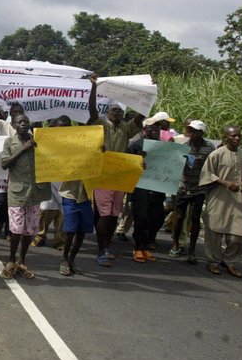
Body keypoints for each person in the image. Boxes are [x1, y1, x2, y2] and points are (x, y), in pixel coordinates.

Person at [86, 77, 144, 267]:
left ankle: (106, 246)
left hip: (119, 176)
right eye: (114, 109)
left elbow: (141, 115)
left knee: (113, 215)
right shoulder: (101, 124)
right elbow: (92, 109)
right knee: (104, 214)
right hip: (102, 174)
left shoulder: (125, 129)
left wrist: (149, 91)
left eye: (120, 110)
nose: (117, 112)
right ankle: (101, 250)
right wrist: (94, 88)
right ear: (108, 112)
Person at [0, 114, 50, 279]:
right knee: (16, 229)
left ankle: (22, 261)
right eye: (19, 122)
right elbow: (4, 164)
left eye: (25, 122)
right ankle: (11, 260)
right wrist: (23, 149)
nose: (23, 124)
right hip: (17, 193)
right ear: (13, 124)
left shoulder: (38, 141)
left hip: (35, 193)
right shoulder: (9, 142)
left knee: (30, 230)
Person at [199, 125, 242, 277]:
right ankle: (213, 261)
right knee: (214, 232)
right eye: (233, 136)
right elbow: (206, 175)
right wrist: (225, 182)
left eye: (239, 136)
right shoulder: (216, 154)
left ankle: (229, 261)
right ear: (225, 137)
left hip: (238, 200)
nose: (237, 138)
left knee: (237, 234)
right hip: (218, 198)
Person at [170, 120, 214, 263]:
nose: (191, 134)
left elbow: (213, 165)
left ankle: (192, 249)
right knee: (179, 216)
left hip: (200, 187)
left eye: (194, 131)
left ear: (201, 133)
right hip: (184, 186)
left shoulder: (209, 147)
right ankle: (175, 243)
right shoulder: (184, 147)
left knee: (195, 219)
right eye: (190, 131)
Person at [127, 120, 165, 262]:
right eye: (152, 127)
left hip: (157, 188)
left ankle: (145, 248)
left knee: (154, 218)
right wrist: (138, 164)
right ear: (145, 129)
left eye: (158, 128)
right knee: (141, 218)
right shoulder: (136, 145)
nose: (156, 130)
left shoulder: (164, 147)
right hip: (140, 188)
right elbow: (128, 163)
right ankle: (138, 248)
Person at [32, 115, 71, 248]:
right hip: (48, 180)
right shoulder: (44, 141)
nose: (63, 131)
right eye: (60, 128)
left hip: (66, 182)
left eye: (66, 128)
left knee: (63, 213)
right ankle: (40, 235)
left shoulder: (75, 143)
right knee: (44, 209)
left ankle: (59, 240)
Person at [59, 179, 93, 276]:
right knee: (70, 230)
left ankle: (71, 259)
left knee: (82, 231)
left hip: (86, 198)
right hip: (70, 196)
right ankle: (64, 258)